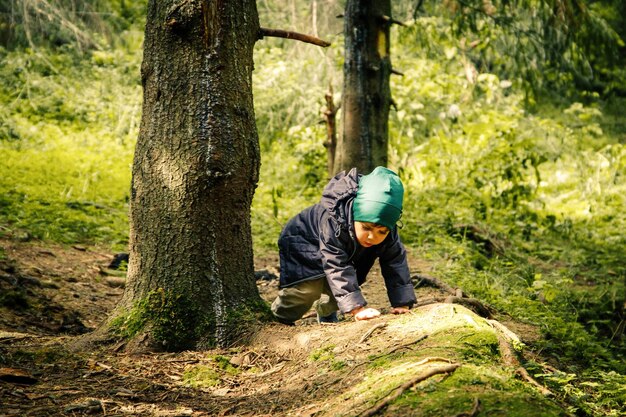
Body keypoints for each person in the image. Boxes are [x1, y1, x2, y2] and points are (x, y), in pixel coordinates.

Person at [271, 166, 417, 325]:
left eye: (381, 232)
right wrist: (357, 309)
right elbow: (337, 266)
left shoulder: (388, 232)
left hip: (338, 248)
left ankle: (327, 314)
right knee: (307, 289)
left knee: (341, 284)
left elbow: (396, 264)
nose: (372, 236)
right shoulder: (334, 224)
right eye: (366, 228)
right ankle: (279, 319)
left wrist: (401, 303)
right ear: (355, 215)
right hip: (302, 240)